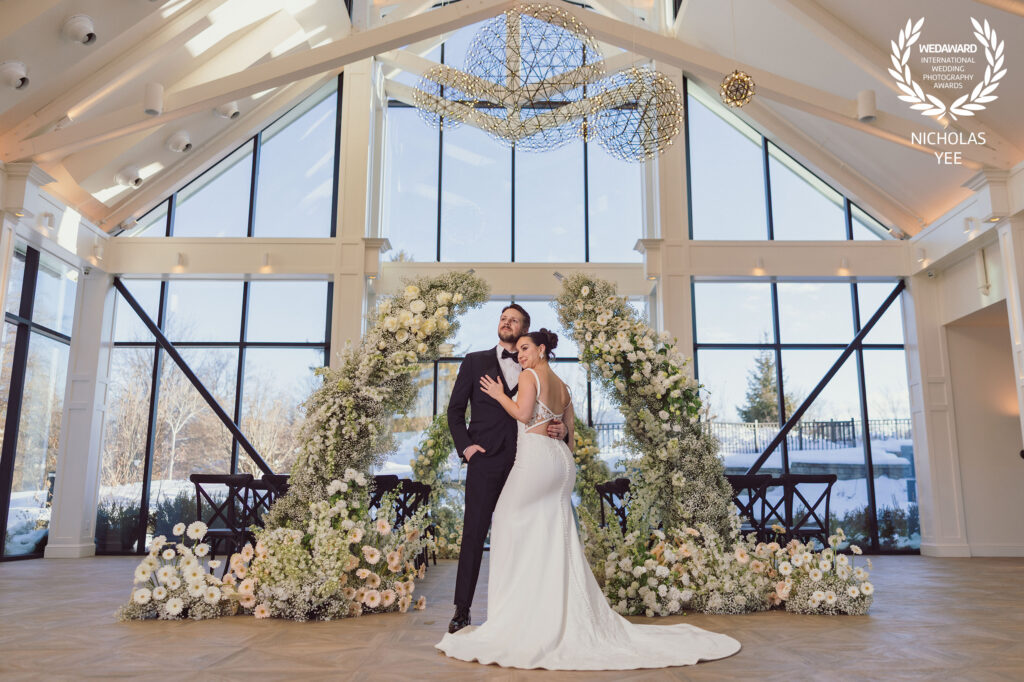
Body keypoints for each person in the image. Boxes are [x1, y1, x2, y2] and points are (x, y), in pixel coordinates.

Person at [436, 329, 741, 670]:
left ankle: (516, 619)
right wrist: (560, 431)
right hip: (561, 464)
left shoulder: (527, 376)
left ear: (541, 350)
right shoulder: (564, 387)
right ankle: (547, 609)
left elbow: (523, 415)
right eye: (518, 350)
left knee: (506, 522)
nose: (520, 354)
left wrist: (497, 394)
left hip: (536, 460)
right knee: (553, 535)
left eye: (525, 348)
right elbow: (569, 433)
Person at [445, 304, 567, 635]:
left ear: (524, 330)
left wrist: (562, 430)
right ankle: (462, 610)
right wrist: (468, 449)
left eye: (513, 320)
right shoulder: (474, 362)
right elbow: (455, 412)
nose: (505, 323)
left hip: (528, 463)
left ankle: (522, 611)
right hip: (485, 461)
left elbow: (551, 412)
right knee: (473, 533)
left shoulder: (538, 371)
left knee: (524, 534)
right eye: (502, 318)